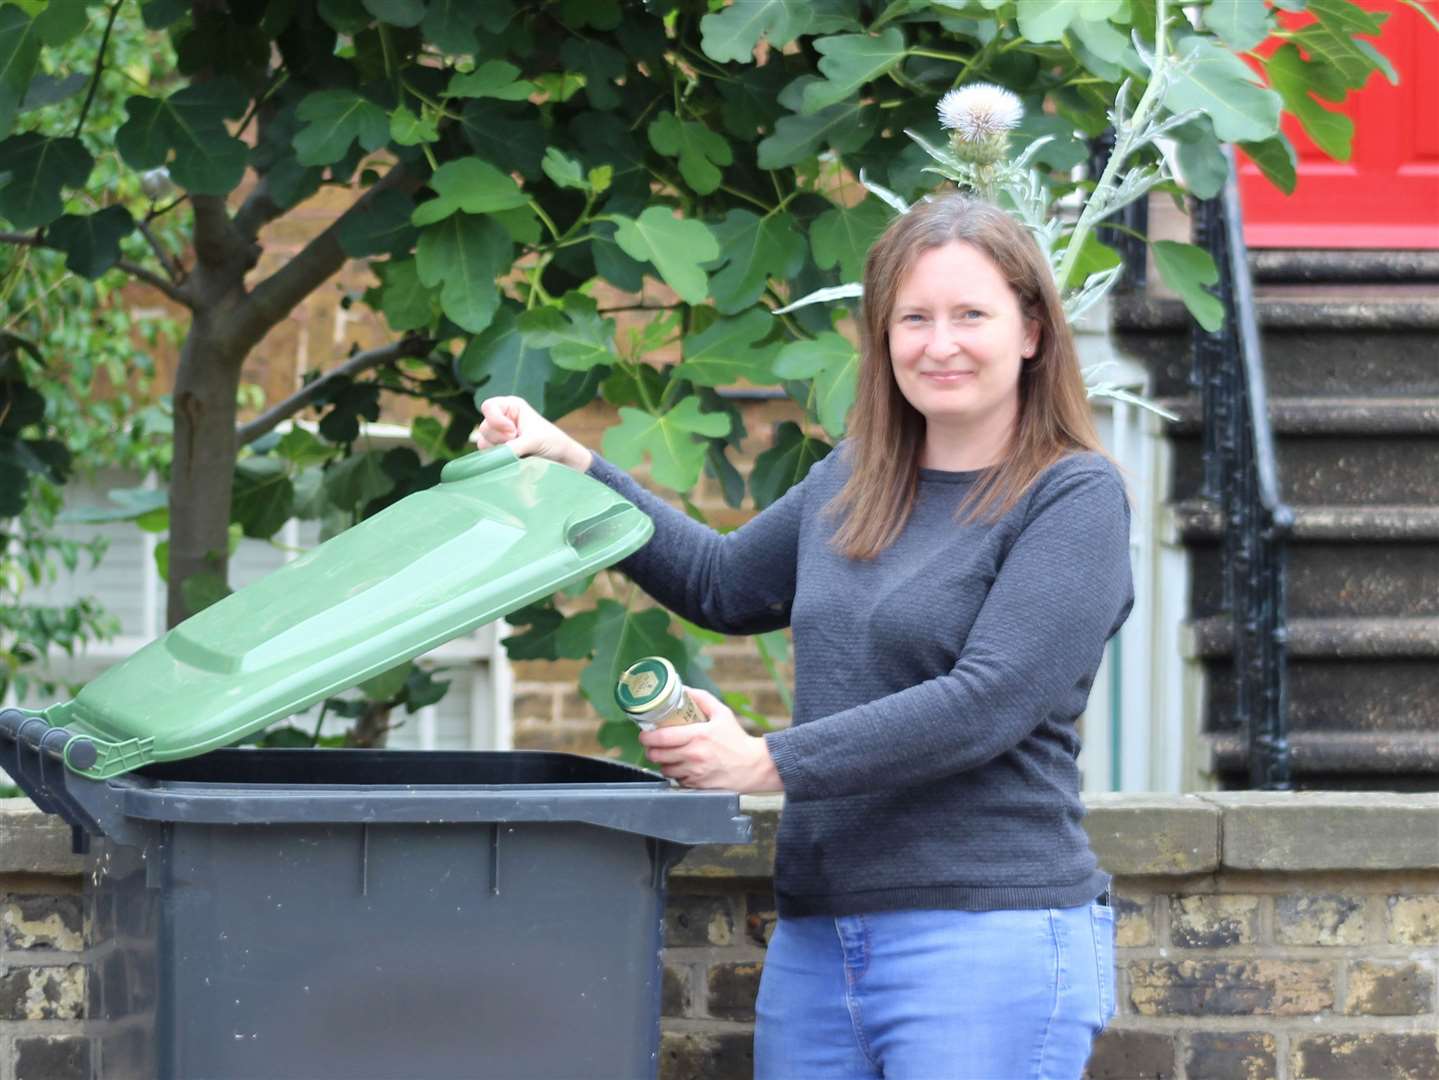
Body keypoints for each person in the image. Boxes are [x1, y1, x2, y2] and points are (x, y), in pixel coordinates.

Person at [476, 192, 1131, 1080]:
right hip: (820, 941)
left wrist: (764, 762)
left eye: (970, 314)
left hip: (985, 939)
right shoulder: (857, 474)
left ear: (1031, 332)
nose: (939, 343)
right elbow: (720, 583)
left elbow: (987, 702)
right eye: (913, 318)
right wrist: (575, 468)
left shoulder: (1072, 496)